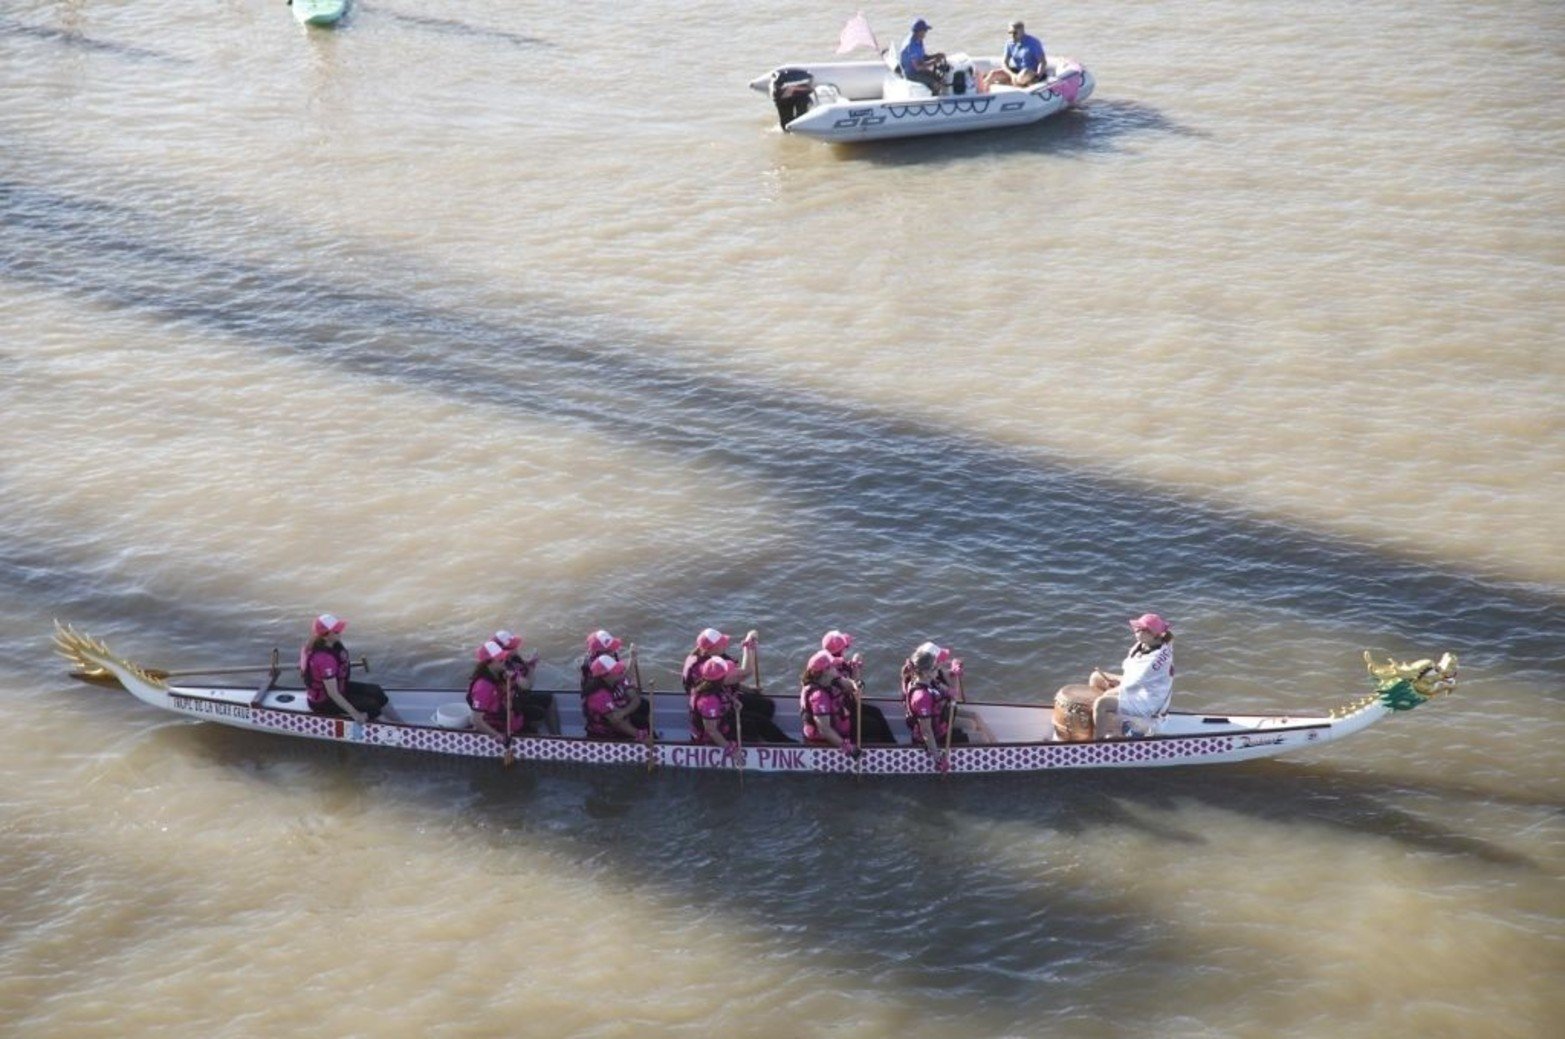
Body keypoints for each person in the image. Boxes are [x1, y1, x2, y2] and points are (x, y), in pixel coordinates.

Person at [681, 627, 785, 736]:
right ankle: (755, 741)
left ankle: (765, 734)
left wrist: (749, 690)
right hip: (717, 708)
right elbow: (746, 672)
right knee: (753, 723)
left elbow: (726, 682)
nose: (725, 645)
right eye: (721, 644)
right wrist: (748, 645)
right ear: (711, 649)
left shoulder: (706, 656)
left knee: (767, 705)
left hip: (724, 697)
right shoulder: (708, 669)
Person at [1088, 613, 1176, 739]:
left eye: (1140, 629)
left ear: (1152, 634)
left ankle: (1098, 744)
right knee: (1096, 677)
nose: (1135, 630)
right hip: (1142, 687)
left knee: (1101, 703)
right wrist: (1116, 681)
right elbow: (1132, 678)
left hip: (1148, 703)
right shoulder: (1152, 643)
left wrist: (1113, 687)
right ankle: (1102, 724)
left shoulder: (1153, 661)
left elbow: (1130, 685)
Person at [299, 613, 398, 723]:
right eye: (336, 631)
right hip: (323, 702)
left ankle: (400, 724)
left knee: (376, 690)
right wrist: (355, 714)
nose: (340, 632)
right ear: (325, 636)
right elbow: (333, 693)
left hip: (339, 687)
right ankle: (397, 734)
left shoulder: (331, 643)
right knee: (371, 705)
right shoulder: (324, 659)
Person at [818, 630, 896, 744]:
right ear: (841, 651)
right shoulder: (831, 673)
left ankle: (892, 744)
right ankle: (880, 750)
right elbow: (857, 693)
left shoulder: (836, 665)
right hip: (839, 715)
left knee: (876, 712)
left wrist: (853, 665)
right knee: (873, 725)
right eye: (845, 647)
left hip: (847, 707)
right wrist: (856, 670)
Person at [495, 629, 560, 735]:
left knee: (550, 699)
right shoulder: (504, 668)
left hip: (518, 696)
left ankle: (556, 736)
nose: (517, 647)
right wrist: (531, 668)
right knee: (538, 714)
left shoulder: (514, 659)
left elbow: (528, 682)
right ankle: (530, 734)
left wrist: (530, 665)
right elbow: (527, 686)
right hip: (509, 705)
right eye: (513, 646)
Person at [580, 650, 651, 743]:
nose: (621, 671)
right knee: (642, 724)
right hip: (606, 733)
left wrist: (623, 712)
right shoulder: (598, 695)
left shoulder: (614, 680)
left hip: (619, 717)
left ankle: (651, 737)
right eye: (615, 670)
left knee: (644, 709)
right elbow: (616, 721)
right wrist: (640, 735)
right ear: (605, 675)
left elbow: (635, 698)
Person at [799, 650, 859, 758]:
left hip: (840, 721)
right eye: (832, 666)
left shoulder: (828, 679)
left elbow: (849, 686)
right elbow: (824, 729)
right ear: (825, 671)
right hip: (827, 736)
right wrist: (848, 748)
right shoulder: (818, 696)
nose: (835, 667)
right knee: (873, 726)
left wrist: (855, 684)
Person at [467, 639, 523, 743]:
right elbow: (476, 720)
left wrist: (511, 680)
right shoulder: (483, 687)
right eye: (500, 659)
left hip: (511, 723)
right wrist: (499, 737)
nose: (505, 661)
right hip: (502, 732)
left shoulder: (500, 675)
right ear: (489, 663)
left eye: (504, 657)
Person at [688, 656, 742, 755]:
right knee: (753, 728)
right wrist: (731, 749)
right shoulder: (709, 701)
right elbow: (711, 730)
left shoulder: (709, 683)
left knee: (757, 721)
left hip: (722, 723)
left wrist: (733, 700)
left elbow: (722, 692)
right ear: (721, 678)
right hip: (711, 739)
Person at [984, 20, 1047, 89]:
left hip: (1031, 73)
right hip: (1017, 72)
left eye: (1015, 33)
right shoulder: (1009, 44)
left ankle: (1013, 85)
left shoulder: (1033, 43)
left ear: (1022, 31)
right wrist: (1012, 75)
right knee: (993, 74)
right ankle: (981, 92)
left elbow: (1042, 62)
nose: (1012, 35)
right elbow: (1004, 63)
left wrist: (1038, 77)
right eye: (1010, 33)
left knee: (1023, 73)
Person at [898, 18, 946, 95]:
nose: (926, 33)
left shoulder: (919, 40)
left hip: (917, 69)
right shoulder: (911, 46)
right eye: (925, 31)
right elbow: (918, 67)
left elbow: (923, 57)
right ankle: (934, 100)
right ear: (919, 32)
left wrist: (936, 55)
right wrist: (934, 62)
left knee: (938, 77)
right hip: (911, 74)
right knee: (934, 83)